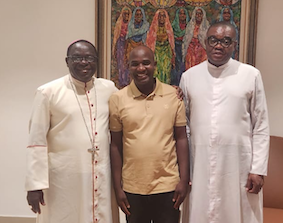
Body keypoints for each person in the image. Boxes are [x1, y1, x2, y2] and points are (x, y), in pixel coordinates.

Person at [180, 21, 270, 223]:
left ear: (234, 45)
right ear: (205, 42)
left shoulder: (251, 75)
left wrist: (258, 169)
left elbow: (261, 124)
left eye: (225, 41)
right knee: (200, 211)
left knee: (237, 213)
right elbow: (184, 126)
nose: (218, 46)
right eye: (213, 40)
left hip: (238, 164)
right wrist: (184, 170)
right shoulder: (189, 77)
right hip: (200, 163)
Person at [25, 40, 119, 223]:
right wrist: (34, 185)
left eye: (89, 58)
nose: (84, 62)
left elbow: (131, 102)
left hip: (100, 172)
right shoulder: (48, 92)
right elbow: (36, 141)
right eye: (77, 58)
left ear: (96, 61)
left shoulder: (109, 89)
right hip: (63, 177)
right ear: (67, 61)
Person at [109, 45, 189, 223]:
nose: (141, 68)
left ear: (155, 64)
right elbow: (115, 144)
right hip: (133, 186)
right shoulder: (118, 99)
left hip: (168, 185)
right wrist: (117, 187)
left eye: (146, 63)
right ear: (128, 67)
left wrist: (184, 180)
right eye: (134, 64)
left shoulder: (173, 95)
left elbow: (182, 138)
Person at [146, 9, 175, 84]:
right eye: (160, 16)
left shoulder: (169, 29)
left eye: (163, 16)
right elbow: (150, 44)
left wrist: (173, 58)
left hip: (166, 54)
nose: (161, 18)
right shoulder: (153, 30)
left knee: (165, 71)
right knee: (156, 72)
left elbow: (171, 44)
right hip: (156, 53)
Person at [112, 6, 132, 87]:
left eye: (128, 14)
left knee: (127, 61)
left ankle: (128, 81)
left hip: (129, 44)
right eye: (124, 14)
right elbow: (116, 36)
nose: (126, 16)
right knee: (121, 63)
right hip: (121, 44)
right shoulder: (119, 23)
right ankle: (122, 81)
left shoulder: (131, 24)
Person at [171, 7, 190, 86]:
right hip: (176, 48)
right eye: (180, 13)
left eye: (184, 14)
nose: (182, 15)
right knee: (176, 67)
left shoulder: (189, 27)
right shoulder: (173, 26)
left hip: (186, 49)